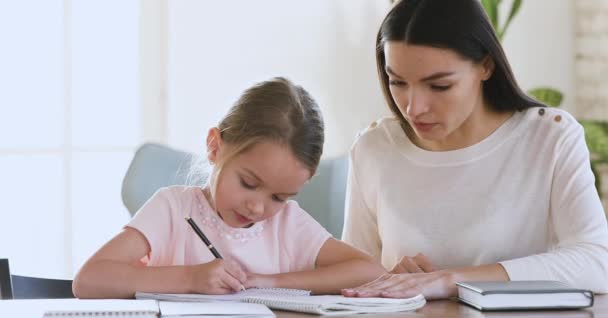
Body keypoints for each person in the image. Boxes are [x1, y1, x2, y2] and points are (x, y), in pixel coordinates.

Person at [341, 0, 608, 300]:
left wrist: (450, 280)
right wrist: (386, 277)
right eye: (397, 82)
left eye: (439, 86)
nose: (413, 108)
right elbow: (353, 274)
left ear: (485, 65)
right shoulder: (374, 148)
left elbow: (597, 262)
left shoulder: (550, 138)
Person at [72, 77, 385, 298]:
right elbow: (89, 280)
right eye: (249, 183)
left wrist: (270, 283)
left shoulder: (287, 222)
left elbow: (368, 270)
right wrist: (191, 278)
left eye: (279, 197)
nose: (258, 208)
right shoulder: (172, 209)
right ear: (214, 147)